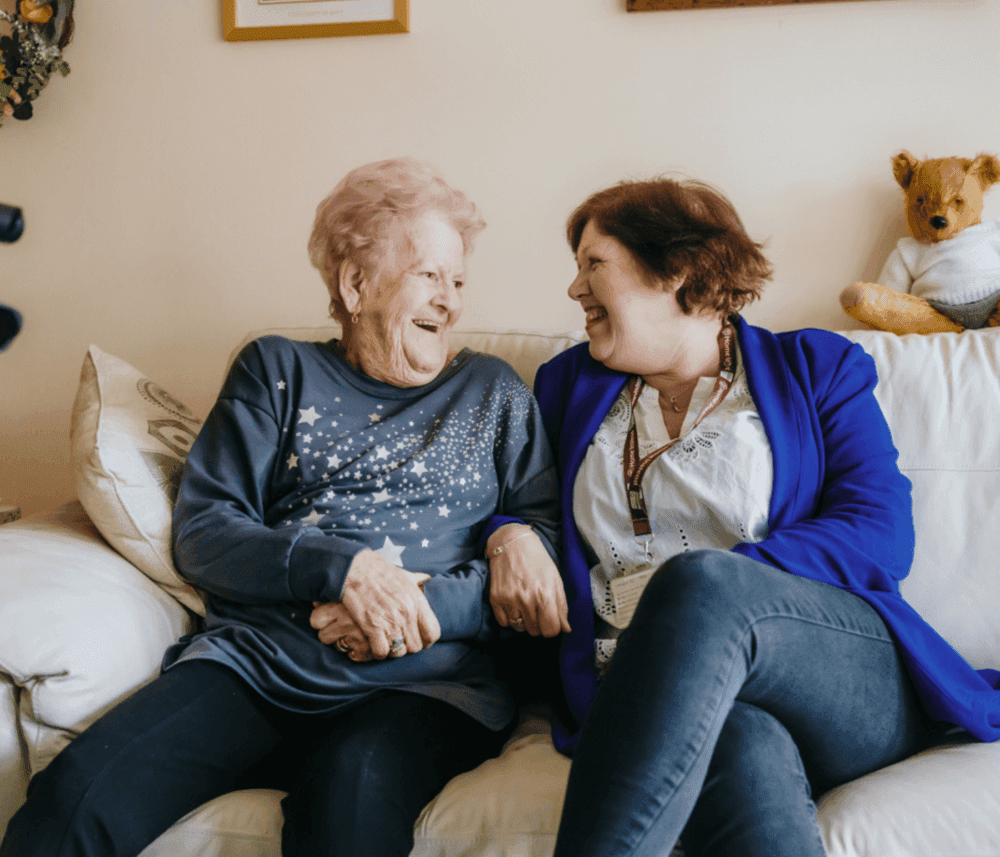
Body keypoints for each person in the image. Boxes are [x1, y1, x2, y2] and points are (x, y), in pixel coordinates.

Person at [0, 157, 568, 857]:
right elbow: (206, 531)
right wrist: (345, 571)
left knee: (349, 802)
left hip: (426, 686)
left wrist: (416, 609)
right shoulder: (277, 370)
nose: (451, 301)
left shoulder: (493, 393)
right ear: (355, 284)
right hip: (255, 668)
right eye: (429, 276)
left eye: (458, 280)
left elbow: (543, 556)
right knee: (75, 800)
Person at [532, 176, 1000, 857]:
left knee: (699, 585)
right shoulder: (566, 385)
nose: (575, 290)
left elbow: (879, 532)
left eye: (593, 265)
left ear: (679, 272)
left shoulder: (818, 366)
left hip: (832, 673)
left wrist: (711, 588)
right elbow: (520, 506)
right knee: (738, 738)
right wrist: (507, 533)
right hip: (651, 694)